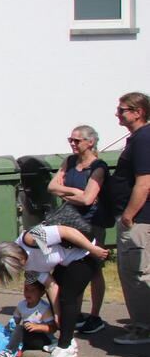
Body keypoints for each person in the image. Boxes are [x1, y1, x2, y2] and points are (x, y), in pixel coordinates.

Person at [0, 224, 108, 357]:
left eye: (16, 265)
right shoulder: (29, 269)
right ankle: (66, 340)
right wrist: (57, 315)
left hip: (85, 253)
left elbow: (66, 232)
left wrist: (92, 248)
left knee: (67, 296)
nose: (20, 268)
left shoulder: (31, 239)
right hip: (67, 262)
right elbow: (52, 286)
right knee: (60, 300)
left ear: (14, 254)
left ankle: (66, 347)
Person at [47, 124, 110, 335]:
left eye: (77, 140)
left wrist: (67, 194)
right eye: (70, 140)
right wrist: (73, 190)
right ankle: (76, 312)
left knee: (93, 269)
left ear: (90, 142)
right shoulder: (70, 161)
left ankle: (95, 314)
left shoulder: (98, 167)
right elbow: (52, 186)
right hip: (70, 221)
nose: (73, 144)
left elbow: (88, 199)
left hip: (92, 224)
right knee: (71, 267)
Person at [111, 92, 150, 345]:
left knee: (136, 273)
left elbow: (144, 182)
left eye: (123, 109)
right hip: (137, 218)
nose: (118, 113)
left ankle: (143, 329)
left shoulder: (144, 138)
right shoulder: (136, 138)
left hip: (138, 220)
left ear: (138, 112)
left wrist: (128, 215)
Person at [0, 279, 57, 357]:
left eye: (33, 290)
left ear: (41, 293)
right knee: (6, 330)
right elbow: (15, 320)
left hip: (43, 338)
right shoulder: (21, 305)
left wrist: (37, 327)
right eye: (26, 289)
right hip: (28, 336)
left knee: (21, 329)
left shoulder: (44, 308)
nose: (28, 293)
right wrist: (10, 326)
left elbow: (53, 328)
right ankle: (14, 348)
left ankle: (10, 351)